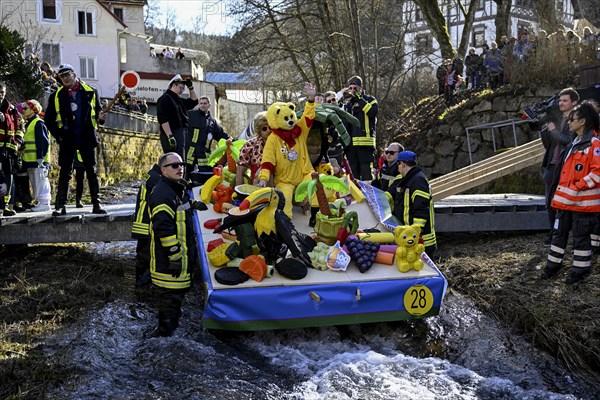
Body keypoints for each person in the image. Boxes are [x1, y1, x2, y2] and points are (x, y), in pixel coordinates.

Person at [148, 152, 206, 336]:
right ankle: (163, 339)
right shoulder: (161, 194)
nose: (180, 167)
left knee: (175, 300)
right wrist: (174, 256)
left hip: (179, 257)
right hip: (170, 263)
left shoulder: (175, 188)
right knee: (170, 300)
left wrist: (193, 205)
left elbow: (178, 210)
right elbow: (163, 230)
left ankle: (169, 328)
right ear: (163, 170)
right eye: (174, 165)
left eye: (181, 164)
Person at [542, 100, 600, 284]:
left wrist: (577, 187)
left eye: (573, 119)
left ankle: (579, 271)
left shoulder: (594, 144)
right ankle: (553, 265)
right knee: (559, 235)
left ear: (583, 121)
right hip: (566, 201)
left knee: (581, 238)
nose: (569, 122)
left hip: (582, 204)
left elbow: (597, 173)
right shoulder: (574, 143)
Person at [45, 64, 108, 216]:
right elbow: (49, 119)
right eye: (62, 76)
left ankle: (96, 203)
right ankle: (60, 205)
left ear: (74, 74)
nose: (65, 78)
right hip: (68, 137)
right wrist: (59, 135)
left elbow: (98, 112)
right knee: (65, 172)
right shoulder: (56, 95)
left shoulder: (91, 92)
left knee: (91, 171)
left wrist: (101, 118)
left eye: (67, 75)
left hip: (86, 136)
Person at [541, 87, 579, 244]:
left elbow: (568, 141)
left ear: (574, 102)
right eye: (560, 100)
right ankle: (553, 234)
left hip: (567, 166)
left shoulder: (577, 120)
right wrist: (545, 129)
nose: (561, 103)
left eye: (565, 100)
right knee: (550, 202)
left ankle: (564, 234)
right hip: (552, 164)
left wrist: (553, 130)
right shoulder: (556, 118)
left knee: (567, 204)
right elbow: (548, 144)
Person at [387, 150, 436, 257]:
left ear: (403, 165)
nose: (398, 168)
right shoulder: (408, 179)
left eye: (398, 165)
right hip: (412, 237)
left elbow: (421, 208)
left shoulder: (418, 180)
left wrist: (414, 232)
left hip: (422, 239)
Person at [131, 162, 162, 288]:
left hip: (142, 222)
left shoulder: (152, 174)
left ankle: (141, 284)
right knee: (146, 256)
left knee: (143, 256)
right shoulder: (156, 179)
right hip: (146, 223)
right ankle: (141, 284)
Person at [343, 76, 378, 181]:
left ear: (361, 87)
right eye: (351, 88)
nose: (353, 91)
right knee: (354, 174)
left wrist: (360, 99)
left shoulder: (370, 100)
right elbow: (346, 123)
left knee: (366, 172)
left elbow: (372, 113)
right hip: (351, 145)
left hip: (365, 143)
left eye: (355, 88)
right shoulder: (349, 103)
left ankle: (370, 196)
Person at [156, 74, 198, 159]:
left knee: (181, 160)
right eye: (180, 88)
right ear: (174, 85)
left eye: (183, 88)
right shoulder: (165, 99)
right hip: (173, 132)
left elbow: (194, 101)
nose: (182, 90)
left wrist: (191, 88)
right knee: (174, 161)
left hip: (181, 133)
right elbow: (163, 119)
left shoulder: (178, 99)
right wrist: (170, 136)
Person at [20, 100, 52, 212]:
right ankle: (40, 202)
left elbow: (43, 142)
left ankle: (44, 203)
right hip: (31, 159)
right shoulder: (30, 123)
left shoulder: (38, 123)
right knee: (35, 181)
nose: (23, 111)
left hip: (38, 160)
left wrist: (40, 158)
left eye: (25, 108)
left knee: (40, 181)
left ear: (33, 109)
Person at [185, 96, 230, 175]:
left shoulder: (212, 122)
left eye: (205, 103)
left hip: (204, 156)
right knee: (187, 174)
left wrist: (231, 140)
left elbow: (220, 134)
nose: (203, 105)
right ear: (198, 105)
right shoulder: (190, 115)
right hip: (190, 154)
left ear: (209, 105)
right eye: (201, 103)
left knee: (204, 176)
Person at [0, 81, 24, 216]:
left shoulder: (12, 109)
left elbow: (20, 126)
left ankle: (7, 207)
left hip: (9, 150)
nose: (0, 95)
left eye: (2, 92)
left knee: (8, 177)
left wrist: (18, 142)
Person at [236, 111, 272, 185]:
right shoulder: (250, 145)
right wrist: (239, 192)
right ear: (259, 130)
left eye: (270, 127)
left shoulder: (281, 144)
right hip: (256, 188)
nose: (268, 130)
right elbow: (240, 171)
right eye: (264, 129)